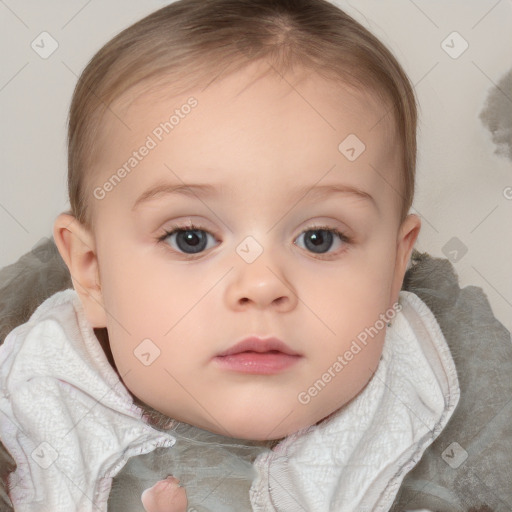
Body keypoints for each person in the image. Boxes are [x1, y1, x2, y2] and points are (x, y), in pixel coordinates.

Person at [0, 0, 460, 510]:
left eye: (320, 239)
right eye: (191, 238)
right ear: (92, 273)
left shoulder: (463, 414)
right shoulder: (40, 403)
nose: (262, 285)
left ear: (397, 266)